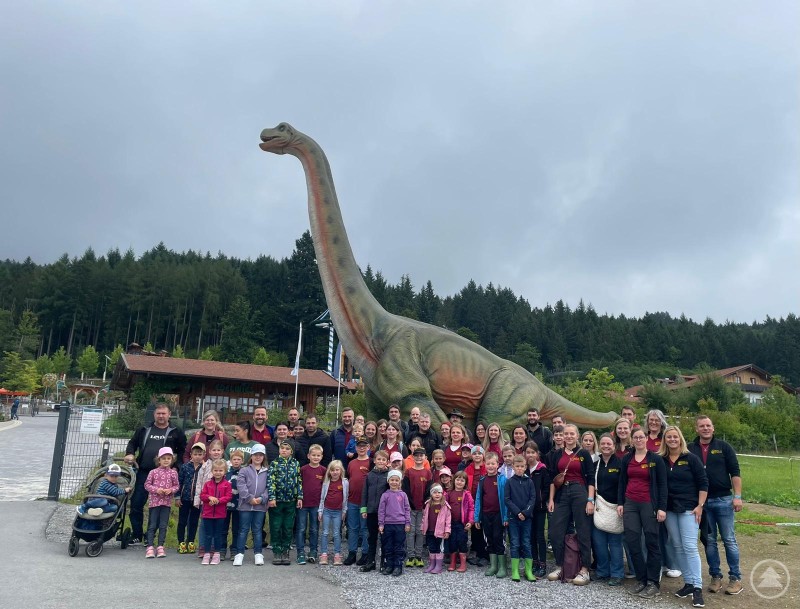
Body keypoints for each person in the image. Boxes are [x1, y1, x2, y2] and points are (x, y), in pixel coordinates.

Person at [688, 415, 744, 596]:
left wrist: (737, 496)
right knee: (709, 541)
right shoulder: (690, 449)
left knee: (729, 540)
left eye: (708, 425)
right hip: (702, 503)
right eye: (701, 426)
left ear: (713, 428)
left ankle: (735, 578)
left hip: (723, 500)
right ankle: (715, 576)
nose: (705, 428)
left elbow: (735, 472)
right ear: (697, 429)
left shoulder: (724, 447)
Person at [124, 402, 186, 545]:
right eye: (158, 413)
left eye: (164, 413)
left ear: (169, 414)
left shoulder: (176, 431)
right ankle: (137, 535)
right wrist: (130, 454)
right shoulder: (144, 429)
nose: (161, 416)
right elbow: (132, 443)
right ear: (154, 414)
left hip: (164, 475)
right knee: (136, 504)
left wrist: (176, 467)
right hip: (144, 473)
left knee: (159, 507)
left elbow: (183, 451)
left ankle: (150, 536)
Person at [660, 425, 709, 608]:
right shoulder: (662, 460)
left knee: (690, 547)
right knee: (677, 546)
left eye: (675, 437)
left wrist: (700, 506)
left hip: (689, 508)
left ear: (680, 438)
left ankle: (697, 587)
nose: (672, 440)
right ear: (665, 440)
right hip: (670, 509)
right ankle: (688, 583)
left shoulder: (691, 459)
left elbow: (703, 482)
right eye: (669, 437)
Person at [617, 427, 668, 599]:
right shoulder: (627, 459)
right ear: (632, 440)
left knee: (652, 541)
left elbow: (662, 485)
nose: (638, 440)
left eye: (641, 437)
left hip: (649, 504)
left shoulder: (655, 459)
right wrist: (620, 503)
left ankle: (653, 582)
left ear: (646, 439)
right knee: (632, 541)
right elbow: (622, 482)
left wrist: (662, 507)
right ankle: (642, 578)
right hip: (630, 503)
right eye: (635, 437)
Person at [546, 424, 594, 586]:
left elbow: (590, 478)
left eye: (571, 433)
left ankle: (585, 569)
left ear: (577, 435)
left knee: (583, 530)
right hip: (562, 494)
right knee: (554, 531)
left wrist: (590, 500)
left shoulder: (584, 454)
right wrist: (551, 500)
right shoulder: (556, 454)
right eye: (566, 434)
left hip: (579, 491)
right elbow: (553, 478)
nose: (568, 436)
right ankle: (561, 566)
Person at [590, 433, 625, 586]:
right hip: (599, 508)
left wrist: (621, 504)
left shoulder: (621, 463)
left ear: (614, 446)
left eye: (608, 444)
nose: (605, 446)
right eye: (603, 443)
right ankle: (602, 571)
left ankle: (617, 573)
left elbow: (623, 486)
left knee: (615, 543)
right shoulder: (595, 464)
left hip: (616, 507)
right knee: (599, 542)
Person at [233, 443, 269, 566]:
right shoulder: (244, 470)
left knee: (257, 530)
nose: (258, 457)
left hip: (260, 506)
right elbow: (241, 486)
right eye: (255, 455)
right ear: (251, 456)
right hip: (245, 506)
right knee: (243, 530)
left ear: (264, 456)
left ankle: (258, 554)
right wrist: (249, 498)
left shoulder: (267, 471)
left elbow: (269, 488)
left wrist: (261, 499)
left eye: (260, 455)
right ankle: (239, 554)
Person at [267, 440, 302, 565]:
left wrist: (299, 497)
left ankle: (285, 551)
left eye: (287, 449)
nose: (284, 450)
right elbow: (270, 481)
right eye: (282, 448)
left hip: (290, 501)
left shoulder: (296, 464)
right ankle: (277, 551)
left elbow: (298, 481)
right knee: (276, 526)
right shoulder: (274, 463)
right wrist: (271, 497)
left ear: (291, 451)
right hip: (277, 501)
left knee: (287, 527)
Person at [474, 451, 508, 577]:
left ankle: (502, 567)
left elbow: (506, 499)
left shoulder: (502, 479)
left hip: (499, 514)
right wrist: (477, 517)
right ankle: (493, 566)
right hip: (486, 515)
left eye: (493, 463)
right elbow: (478, 499)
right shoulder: (482, 480)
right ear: (485, 464)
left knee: (499, 538)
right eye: (488, 464)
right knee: (489, 539)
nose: (491, 466)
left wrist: (506, 516)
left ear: (497, 464)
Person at [505, 454, 536, 582]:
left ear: (525, 467)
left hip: (527, 518)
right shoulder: (509, 482)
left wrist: (525, 513)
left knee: (526, 543)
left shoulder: (529, 482)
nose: (519, 468)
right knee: (515, 543)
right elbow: (507, 499)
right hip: (514, 518)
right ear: (513, 467)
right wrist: (518, 512)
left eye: (522, 466)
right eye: (517, 466)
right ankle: (515, 571)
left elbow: (532, 499)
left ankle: (528, 571)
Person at [144, 447, 179, 559]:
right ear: (159, 460)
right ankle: (150, 546)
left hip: (166, 503)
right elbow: (147, 485)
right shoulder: (153, 472)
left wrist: (171, 490)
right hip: (154, 502)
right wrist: (156, 490)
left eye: (169, 458)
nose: (166, 460)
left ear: (172, 460)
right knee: (152, 524)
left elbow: (177, 486)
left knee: (163, 525)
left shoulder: (173, 473)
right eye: (163, 458)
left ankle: (160, 546)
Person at [360, 450, 390, 572]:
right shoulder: (369, 475)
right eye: (379, 459)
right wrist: (364, 508)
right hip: (371, 511)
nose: (381, 462)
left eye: (383, 460)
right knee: (371, 537)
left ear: (387, 462)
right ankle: (371, 561)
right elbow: (365, 493)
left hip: (384, 513)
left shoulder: (389, 475)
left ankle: (384, 562)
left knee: (384, 538)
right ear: (374, 461)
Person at [403, 446, 433, 567]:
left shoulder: (428, 472)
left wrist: (426, 503)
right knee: (410, 531)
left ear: (425, 458)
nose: (419, 458)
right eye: (417, 455)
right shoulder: (408, 471)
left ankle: (419, 555)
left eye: (421, 455)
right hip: (411, 507)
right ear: (413, 457)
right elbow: (405, 490)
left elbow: (429, 490)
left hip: (422, 507)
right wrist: (409, 504)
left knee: (420, 531)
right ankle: (410, 556)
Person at [378, 469, 412, 576]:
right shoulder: (385, 495)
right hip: (388, 524)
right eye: (392, 480)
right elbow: (381, 510)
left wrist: (407, 523)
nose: (394, 482)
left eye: (396, 480)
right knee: (388, 545)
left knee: (399, 546)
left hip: (400, 524)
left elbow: (407, 509)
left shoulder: (403, 495)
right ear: (388, 481)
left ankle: (398, 566)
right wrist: (381, 524)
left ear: (400, 482)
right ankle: (389, 565)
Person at [199, 458, 232, 565]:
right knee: (208, 535)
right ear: (212, 471)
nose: (218, 473)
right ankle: (207, 554)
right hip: (207, 514)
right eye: (216, 470)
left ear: (224, 472)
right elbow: (202, 496)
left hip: (220, 514)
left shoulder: (227, 484)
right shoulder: (207, 484)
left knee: (218, 535)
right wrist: (209, 497)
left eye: (220, 470)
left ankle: (217, 554)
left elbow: (228, 497)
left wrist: (218, 500)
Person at [344, 437, 371, 566]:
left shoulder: (371, 462)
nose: (361, 448)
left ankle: (365, 553)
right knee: (352, 528)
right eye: (359, 446)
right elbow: (349, 478)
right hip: (352, 500)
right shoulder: (351, 463)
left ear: (368, 448)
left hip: (365, 502)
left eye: (364, 446)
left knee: (364, 528)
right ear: (355, 448)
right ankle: (352, 552)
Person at [524, 441, 549, 578]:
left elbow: (546, 488)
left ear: (537, 454)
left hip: (539, 508)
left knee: (540, 536)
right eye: (528, 452)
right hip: (528, 509)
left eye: (533, 452)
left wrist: (539, 500)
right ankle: (534, 561)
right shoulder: (524, 470)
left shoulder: (542, 469)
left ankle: (543, 563)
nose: (530, 455)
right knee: (531, 537)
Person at [297, 443, 325, 565]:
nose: (315, 457)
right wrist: (299, 498)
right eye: (313, 455)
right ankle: (300, 552)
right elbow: (298, 485)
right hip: (303, 504)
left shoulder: (323, 470)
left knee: (314, 529)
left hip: (316, 505)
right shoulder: (303, 469)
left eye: (318, 455)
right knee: (301, 529)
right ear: (308, 456)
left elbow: (325, 488)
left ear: (321, 456)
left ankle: (313, 551)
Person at [318, 460, 348, 566]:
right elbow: (322, 498)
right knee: (325, 532)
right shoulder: (326, 482)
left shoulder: (344, 482)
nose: (335, 472)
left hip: (338, 511)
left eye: (337, 470)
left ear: (341, 471)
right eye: (332, 470)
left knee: (336, 533)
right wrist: (320, 510)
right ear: (329, 472)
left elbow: (346, 498)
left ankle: (337, 554)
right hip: (326, 510)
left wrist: (344, 511)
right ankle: (324, 554)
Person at [176, 443, 205, 554]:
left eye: (200, 454)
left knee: (193, 521)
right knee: (182, 521)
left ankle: (191, 541)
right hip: (185, 498)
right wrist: (177, 497)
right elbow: (180, 482)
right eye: (195, 454)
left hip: (198, 500)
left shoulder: (205, 467)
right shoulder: (185, 466)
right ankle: (181, 542)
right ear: (191, 455)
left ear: (203, 455)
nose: (197, 456)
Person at [465, 445, 488, 566]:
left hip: (485, 501)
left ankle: (485, 554)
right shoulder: (468, 469)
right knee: (475, 528)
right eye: (474, 454)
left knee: (484, 528)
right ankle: (477, 552)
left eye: (479, 453)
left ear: (483, 455)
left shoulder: (487, 468)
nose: (477, 455)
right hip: (472, 502)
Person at [446, 470, 474, 572]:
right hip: (451, 523)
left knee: (462, 541)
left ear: (465, 483)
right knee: (452, 542)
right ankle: (452, 562)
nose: (459, 482)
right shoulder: (448, 493)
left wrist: (470, 521)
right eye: (458, 479)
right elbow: (444, 507)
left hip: (463, 523)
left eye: (462, 480)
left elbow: (471, 508)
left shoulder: (467, 494)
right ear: (454, 480)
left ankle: (463, 563)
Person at [421, 483, 451, 574]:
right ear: (431, 494)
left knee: (439, 548)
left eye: (439, 492)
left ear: (442, 494)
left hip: (440, 532)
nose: (437, 494)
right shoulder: (428, 504)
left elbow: (448, 520)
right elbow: (424, 517)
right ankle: (432, 565)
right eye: (435, 492)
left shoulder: (445, 506)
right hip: (430, 530)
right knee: (431, 547)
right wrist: (423, 527)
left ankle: (438, 566)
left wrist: (447, 531)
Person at [223, 450, 244, 560]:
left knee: (236, 529)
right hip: (225, 505)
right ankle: (222, 549)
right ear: (231, 460)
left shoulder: (244, 472)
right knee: (223, 529)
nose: (236, 461)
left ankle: (234, 549)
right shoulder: (226, 472)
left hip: (239, 506)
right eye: (234, 459)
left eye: (238, 459)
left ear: (242, 460)